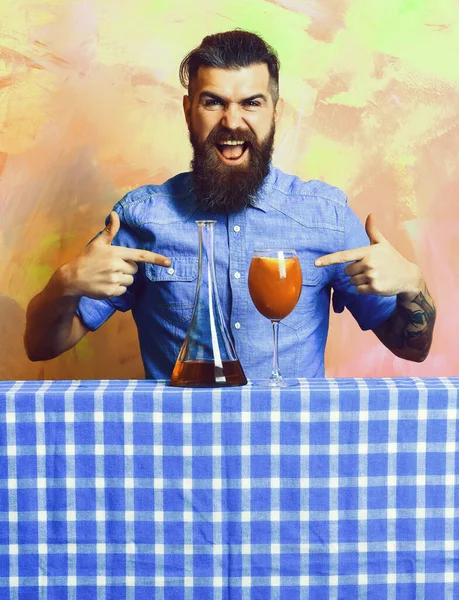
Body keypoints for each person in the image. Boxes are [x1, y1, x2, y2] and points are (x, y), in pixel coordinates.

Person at [24, 30, 436, 379]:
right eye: (213, 101)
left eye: (251, 103)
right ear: (189, 111)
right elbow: (42, 347)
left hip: (290, 455)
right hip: (180, 453)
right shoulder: (141, 216)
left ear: (275, 112)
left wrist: (413, 285)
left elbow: (412, 350)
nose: (232, 121)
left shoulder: (326, 216)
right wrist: (66, 283)